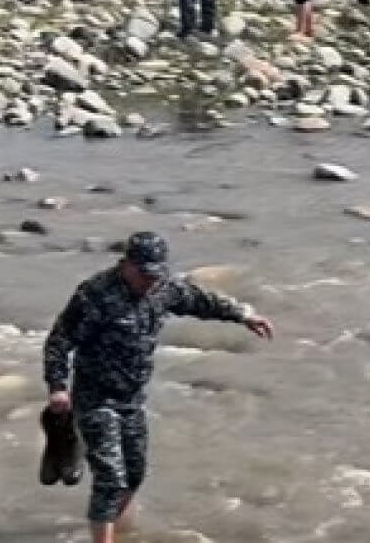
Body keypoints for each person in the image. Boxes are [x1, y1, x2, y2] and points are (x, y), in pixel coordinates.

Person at [43, 231, 274, 543]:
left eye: (155, 275)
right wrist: (57, 386)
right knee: (110, 480)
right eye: (143, 274)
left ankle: (115, 528)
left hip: (132, 399)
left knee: (133, 476)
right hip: (95, 398)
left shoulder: (162, 289)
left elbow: (199, 300)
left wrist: (244, 315)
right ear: (126, 264)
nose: (149, 282)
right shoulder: (94, 295)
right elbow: (59, 341)